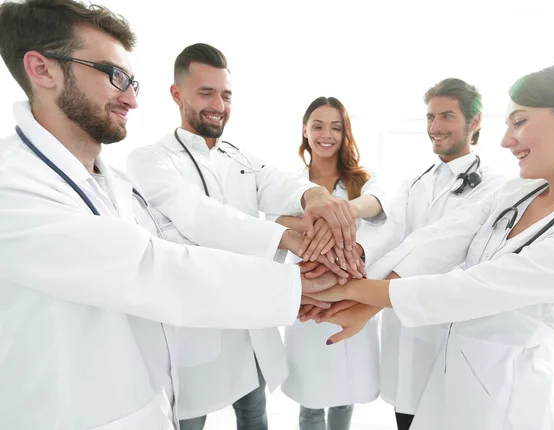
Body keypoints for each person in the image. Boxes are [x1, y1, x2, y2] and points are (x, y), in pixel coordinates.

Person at [0, 2, 340, 429]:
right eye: (114, 75)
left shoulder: (115, 183)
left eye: (131, 80)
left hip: (166, 381)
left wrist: (311, 198)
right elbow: (154, 261)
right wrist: (295, 274)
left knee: (253, 411)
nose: (130, 97)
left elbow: (266, 187)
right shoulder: (12, 187)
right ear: (42, 69)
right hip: (81, 412)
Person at [307, 60, 554, 430]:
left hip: (504, 402)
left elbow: (475, 288)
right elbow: (437, 239)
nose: (506, 140)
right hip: (449, 382)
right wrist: (364, 302)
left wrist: (349, 288)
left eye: (520, 121)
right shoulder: (521, 190)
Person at [126, 45, 364, 430]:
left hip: (248, 322)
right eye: (206, 93)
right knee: (190, 418)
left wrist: (313, 195)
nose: (218, 104)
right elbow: (197, 215)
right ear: (177, 94)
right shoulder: (150, 159)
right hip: (195, 326)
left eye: (225, 94)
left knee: (254, 416)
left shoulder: (240, 156)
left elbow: (278, 181)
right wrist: (287, 237)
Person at [350, 78, 509, 429]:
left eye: (447, 116)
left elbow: (441, 247)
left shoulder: (496, 186)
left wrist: (362, 294)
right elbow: (390, 228)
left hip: (448, 325)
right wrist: (356, 255)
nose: (435, 127)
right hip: (401, 320)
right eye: (430, 117)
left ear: (475, 121)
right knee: (406, 415)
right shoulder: (417, 180)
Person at [271, 96, 389, 430]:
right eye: (318, 125)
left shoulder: (362, 182)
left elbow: (381, 224)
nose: (327, 134)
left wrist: (325, 220)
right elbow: (271, 221)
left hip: (351, 292)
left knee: (345, 394)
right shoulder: (287, 183)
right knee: (311, 396)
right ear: (305, 130)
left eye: (336, 127)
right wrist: (322, 222)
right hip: (307, 295)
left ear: (345, 133)